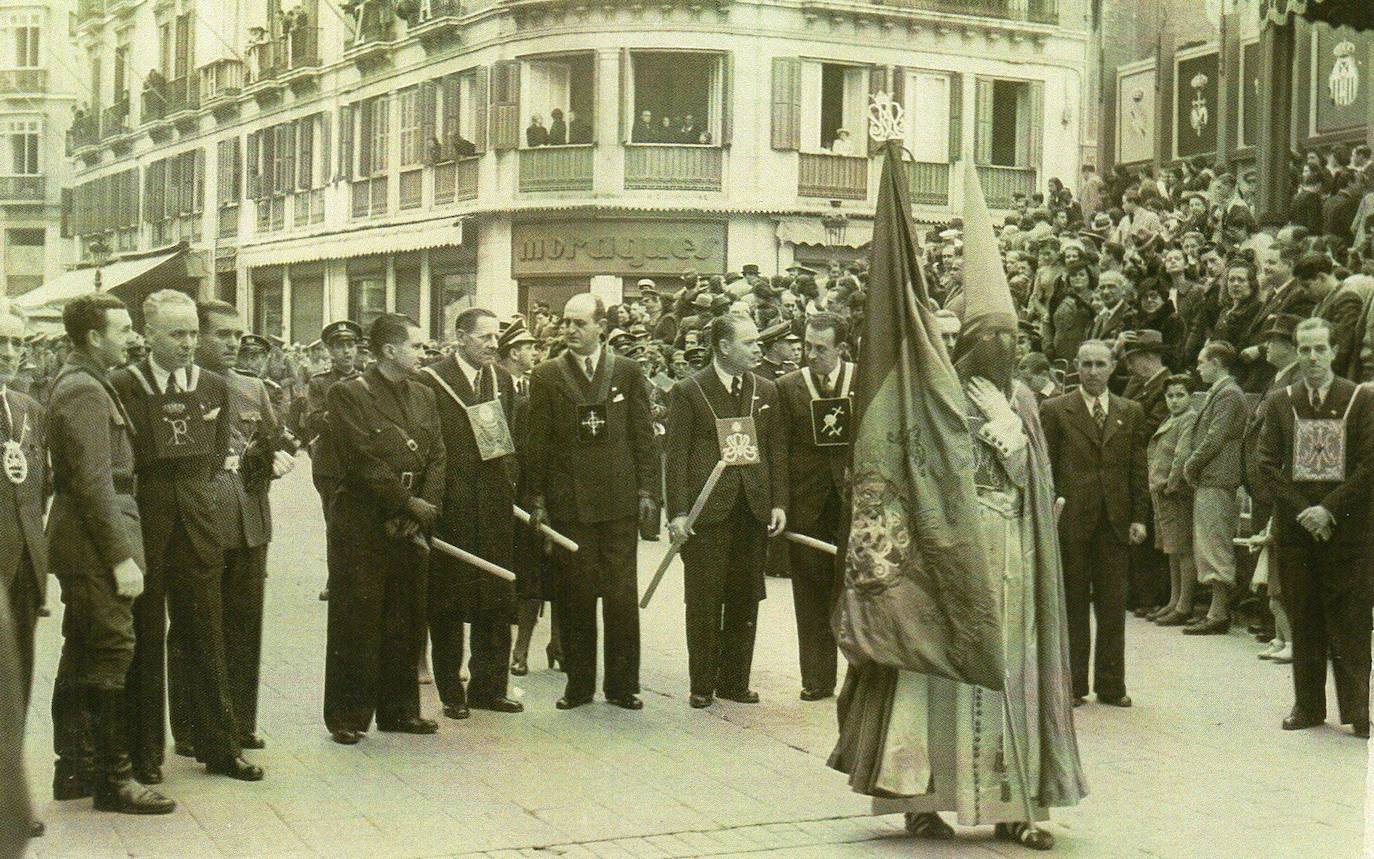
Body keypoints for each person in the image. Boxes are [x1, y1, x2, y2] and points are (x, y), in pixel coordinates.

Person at [110, 290, 260, 783]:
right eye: (176, 334)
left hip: (198, 528)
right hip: (148, 528)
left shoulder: (215, 386)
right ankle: (145, 754)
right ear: (148, 335)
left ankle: (220, 747)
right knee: (146, 640)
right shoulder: (124, 385)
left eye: (194, 332)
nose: (188, 343)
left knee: (206, 638)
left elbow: (217, 459)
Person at [46, 294, 177, 816]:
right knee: (111, 649)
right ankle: (114, 779)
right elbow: (93, 481)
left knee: (84, 647)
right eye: (123, 330)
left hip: (88, 536)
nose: (133, 338)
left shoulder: (85, 382)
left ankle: (75, 767)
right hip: (95, 539)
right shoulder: (83, 389)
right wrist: (121, 556)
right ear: (94, 337)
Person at [170, 303, 294, 757]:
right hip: (201, 515)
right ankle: (189, 725)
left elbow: (269, 439)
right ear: (195, 337)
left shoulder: (251, 387)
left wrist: (274, 459)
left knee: (245, 623)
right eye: (221, 334)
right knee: (196, 626)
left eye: (237, 334)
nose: (233, 343)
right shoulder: (181, 388)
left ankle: (240, 721)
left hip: (249, 514)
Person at [525, 293, 660, 710]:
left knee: (621, 596)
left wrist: (648, 492)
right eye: (566, 322)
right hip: (571, 505)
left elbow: (643, 435)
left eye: (579, 323)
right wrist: (538, 498)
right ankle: (578, 686)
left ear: (601, 326)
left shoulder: (627, 371)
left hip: (619, 502)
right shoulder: (547, 375)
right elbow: (537, 443)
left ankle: (622, 687)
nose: (569, 330)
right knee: (575, 596)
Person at [323, 314, 445, 745]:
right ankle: (348, 715)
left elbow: (437, 456)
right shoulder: (348, 394)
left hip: (412, 521)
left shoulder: (425, 395)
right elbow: (359, 459)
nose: (423, 352)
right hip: (362, 519)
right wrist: (405, 502)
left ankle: (400, 711)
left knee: (405, 617)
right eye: (416, 345)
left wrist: (423, 508)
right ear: (390, 351)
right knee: (357, 616)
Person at [1257, 318, 1373, 738]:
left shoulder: (1360, 398)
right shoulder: (1280, 401)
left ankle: (1359, 711)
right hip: (1298, 529)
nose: (1312, 358)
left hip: (1348, 528)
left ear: (1334, 350)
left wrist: (1328, 509)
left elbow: (1369, 465)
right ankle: (1307, 706)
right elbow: (1267, 464)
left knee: (1352, 619)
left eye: (1319, 349)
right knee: (1304, 616)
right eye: (1304, 349)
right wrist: (1304, 510)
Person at [664, 314, 787, 709]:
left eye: (758, 342)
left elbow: (776, 452)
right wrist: (678, 512)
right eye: (749, 343)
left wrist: (778, 502)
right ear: (723, 347)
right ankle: (702, 683)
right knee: (703, 598)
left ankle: (735, 681)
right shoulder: (689, 390)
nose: (758, 349)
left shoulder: (765, 389)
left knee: (744, 598)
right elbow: (676, 456)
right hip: (706, 513)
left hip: (751, 509)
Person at [418, 308, 522, 719]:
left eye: (496, 338)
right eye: (484, 337)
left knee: (496, 597)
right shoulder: (431, 380)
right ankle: (451, 692)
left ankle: (489, 687)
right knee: (447, 601)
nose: (493, 345)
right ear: (461, 337)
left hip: (495, 504)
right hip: (453, 505)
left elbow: (508, 438)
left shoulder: (501, 381)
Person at [1040, 339, 1148, 708]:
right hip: (1072, 520)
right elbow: (1047, 467)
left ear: (1114, 367)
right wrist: (1049, 514)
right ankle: (1071, 686)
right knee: (1071, 604)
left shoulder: (1130, 411)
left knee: (1113, 604)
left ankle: (1112, 685)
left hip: (1114, 521)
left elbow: (1137, 468)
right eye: (1086, 364)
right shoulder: (1055, 410)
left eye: (1100, 364)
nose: (1093, 371)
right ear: (1075, 366)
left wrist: (1139, 517)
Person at [775, 313, 850, 701]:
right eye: (807, 346)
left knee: (855, 592)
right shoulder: (788, 387)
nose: (811, 354)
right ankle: (817, 679)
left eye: (821, 348)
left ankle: (860, 677)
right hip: (807, 505)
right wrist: (782, 503)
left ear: (841, 348)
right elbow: (780, 451)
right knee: (810, 592)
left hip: (852, 505)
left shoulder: (862, 381)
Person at [0, 308, 46, 838]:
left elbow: (40, 488)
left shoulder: (30, 408)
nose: (9, 352)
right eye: (0, 341)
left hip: (25, 568)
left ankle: (9, 794)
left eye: (15, 343)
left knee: (17, 686)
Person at [499, 322, 559, 675]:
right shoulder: (498, 389)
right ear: (512, 353)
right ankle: (517, 649)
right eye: (526, 347)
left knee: (545, 571)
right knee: (519, 576)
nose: (534, 353)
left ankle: (554, 645)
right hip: (512, 493)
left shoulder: (535, 390)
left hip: (541, 490)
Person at [305, 320, 362, 601]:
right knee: (336, 525)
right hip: (331, 466)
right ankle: (336, 579)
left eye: (350, 345)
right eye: (340, 346)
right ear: (329, 350)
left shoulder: (367, 380)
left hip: (362, 464)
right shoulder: (319, 383)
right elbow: (314, 419)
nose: (347, 352)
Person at [1149, 374, 1198, 626]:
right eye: (1170, 396)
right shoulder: (1172, 418)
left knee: (1182, 548)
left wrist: (1171, 483)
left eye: (1180, 395)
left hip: (1175, 493)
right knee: (1171, 548)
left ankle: (1184, 605)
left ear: (1190, 397)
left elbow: (1182, 454)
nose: (1175, 400)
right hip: (1162, 491)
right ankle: (1173, 599)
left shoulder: (1188, 419)